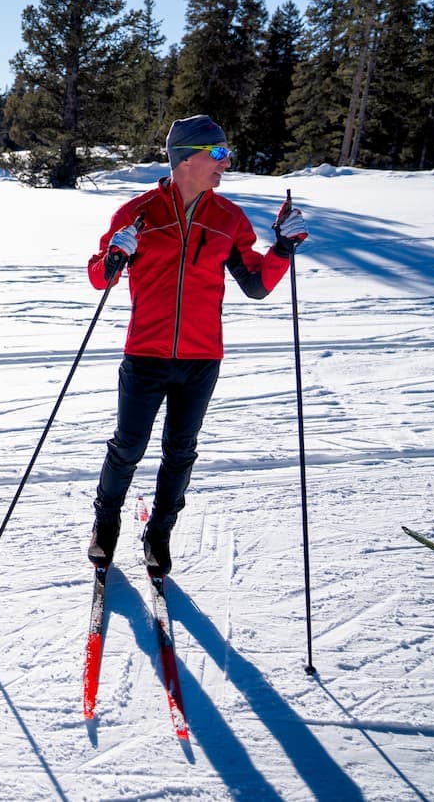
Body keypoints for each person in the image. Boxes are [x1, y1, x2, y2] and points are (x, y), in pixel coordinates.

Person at [85, 115, 308, 578]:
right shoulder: (137, 214)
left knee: (181, 450)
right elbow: (97, 276)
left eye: (226, 155)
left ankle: (159, 533)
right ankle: (105, 525)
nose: (225, 165)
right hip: (145, 353)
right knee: (127, 446)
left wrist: (282, 249)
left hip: (202, 358)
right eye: (219, 154)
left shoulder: (228, 218)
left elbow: (256, 285)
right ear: (186, 158)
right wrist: (114, 257)